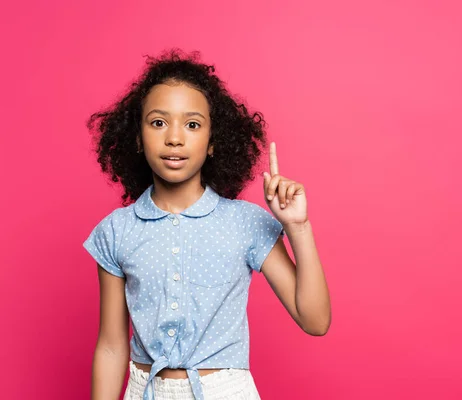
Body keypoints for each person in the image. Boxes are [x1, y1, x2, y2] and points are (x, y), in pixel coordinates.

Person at [83, 49, 331, 400]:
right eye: (158, 122)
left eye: (193, 124)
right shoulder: (116, 231)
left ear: (214, 142)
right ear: (137, 138)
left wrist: (299, 227)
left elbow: (315, 321)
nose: (175, 138)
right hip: (144, 390)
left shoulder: (244, 223)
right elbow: (110, 347)